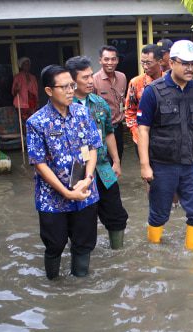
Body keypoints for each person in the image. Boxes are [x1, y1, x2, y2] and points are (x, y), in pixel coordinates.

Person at [137, 40, 193, 253]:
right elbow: (143, 129)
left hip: (192, 164)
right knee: (160, 213)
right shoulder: (153, 91)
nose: (190, 68)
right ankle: (154, 254)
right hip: (163, 164)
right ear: (171, 63)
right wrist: (145, 165)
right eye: (184, 63)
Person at [27, 64, 103, 280]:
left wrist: (88, 179)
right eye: (64, 87)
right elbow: (39, 163)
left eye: (72, 85)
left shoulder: (82, 112)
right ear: (49, 91)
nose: (71, 90)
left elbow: (92, 148)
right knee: (55, 244)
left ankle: (80, 289)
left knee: (84, 243)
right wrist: (67, 193)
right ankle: (53, 285)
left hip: (85, 191)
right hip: (52, 198)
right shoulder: (36, 122)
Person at [65, 56, 128, 250]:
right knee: (81, 218)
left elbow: (109, 132)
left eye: (92, 76)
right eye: (85, 77)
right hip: (76, 172)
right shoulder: (64, 105)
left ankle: (117, 254)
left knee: (115, 213)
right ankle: (81, 255)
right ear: (72, 81)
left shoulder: (99, 103)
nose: (91, 81)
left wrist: (116, 161)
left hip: (102, 167)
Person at [125, 44, 165, 146]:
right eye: (143, 63)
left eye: (148, 63)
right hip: (142, 136)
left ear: (160, 62)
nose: (145, 66)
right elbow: (129, 110)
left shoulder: (169, 81)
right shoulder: (136, 82)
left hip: (166, 137)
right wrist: (135, 131)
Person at [93, 46, 127, 161]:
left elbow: (123, 100)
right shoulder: (94, 81)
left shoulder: (122, 77)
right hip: (102, 130)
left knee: (118, 159)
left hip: (118, 128)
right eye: (106, 59)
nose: (110, 63)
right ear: (100, 60)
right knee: (105, 162)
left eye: (113, 59)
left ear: (117, 60)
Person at [12, 56, 39, 125]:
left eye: (28, 64)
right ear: (21, 66)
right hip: (22, 104)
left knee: (35, 121)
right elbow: (13, 92)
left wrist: (36, 103)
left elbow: (36, 91)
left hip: (32, 103)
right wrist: (16, 89)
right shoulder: (17, 77)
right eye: (25, 64)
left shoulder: (33, 77)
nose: (27, 66)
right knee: (26, 122)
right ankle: (26, 134)